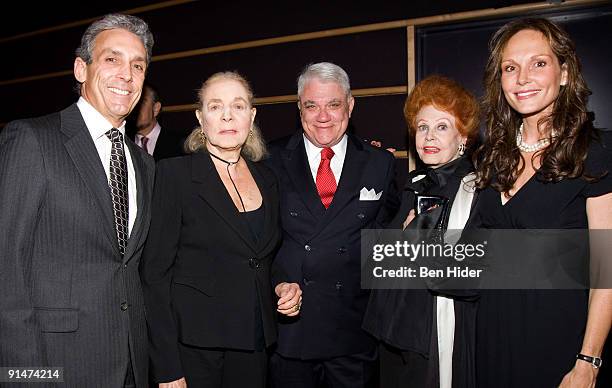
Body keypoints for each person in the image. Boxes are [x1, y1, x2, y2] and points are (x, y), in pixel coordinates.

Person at [0, 14, 155, 387]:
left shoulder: (144, 163)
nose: (127, 75)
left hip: (132, 363)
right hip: (55, 365)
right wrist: (26, 377)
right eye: (112, 59)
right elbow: (5, 265)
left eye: (138, 65)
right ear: (80, 69)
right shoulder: (33, 139)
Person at [471, 18, 612, 387]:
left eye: (539, 63)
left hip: (560, 343)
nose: (522, 79)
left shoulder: (594, 152)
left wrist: (588, 362)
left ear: (564, 73)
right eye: (510, 68)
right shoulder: (489, 156)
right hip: (491, 335)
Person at [140, 71, 302, 388]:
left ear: (251, 115)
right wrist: (168, 368)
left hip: (254, 340)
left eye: (238, 106)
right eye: (215, 107)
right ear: (201, 118)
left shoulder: (267, 178)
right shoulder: (175, 175)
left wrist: (282, 285)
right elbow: (154, 275)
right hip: (195, 348)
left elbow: (263, 256)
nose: (227, 115)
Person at [266, 62, 399, 388]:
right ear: (299, 109)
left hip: (354, 332)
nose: (322, 116)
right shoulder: (268, 160)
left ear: (350, 106)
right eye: (311, 105)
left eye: (333, 104)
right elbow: (259, 243)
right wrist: (280, 283)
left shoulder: (380, 162)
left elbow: (386, 235)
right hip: (290, 333)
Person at [363, 75, 480, 388]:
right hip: (390, 328)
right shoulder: (413, 184)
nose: (429, 136)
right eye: (422, 127)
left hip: (432, 332)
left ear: (463, 136)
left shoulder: (476, 191)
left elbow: (477, 272)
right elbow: (378, 259)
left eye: (442, 126)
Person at [128, 82, 185, 161]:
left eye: (142, 102)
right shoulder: (122, 144)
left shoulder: (181, 144)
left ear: (155, 109)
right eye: (133, 101)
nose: (135, 107)